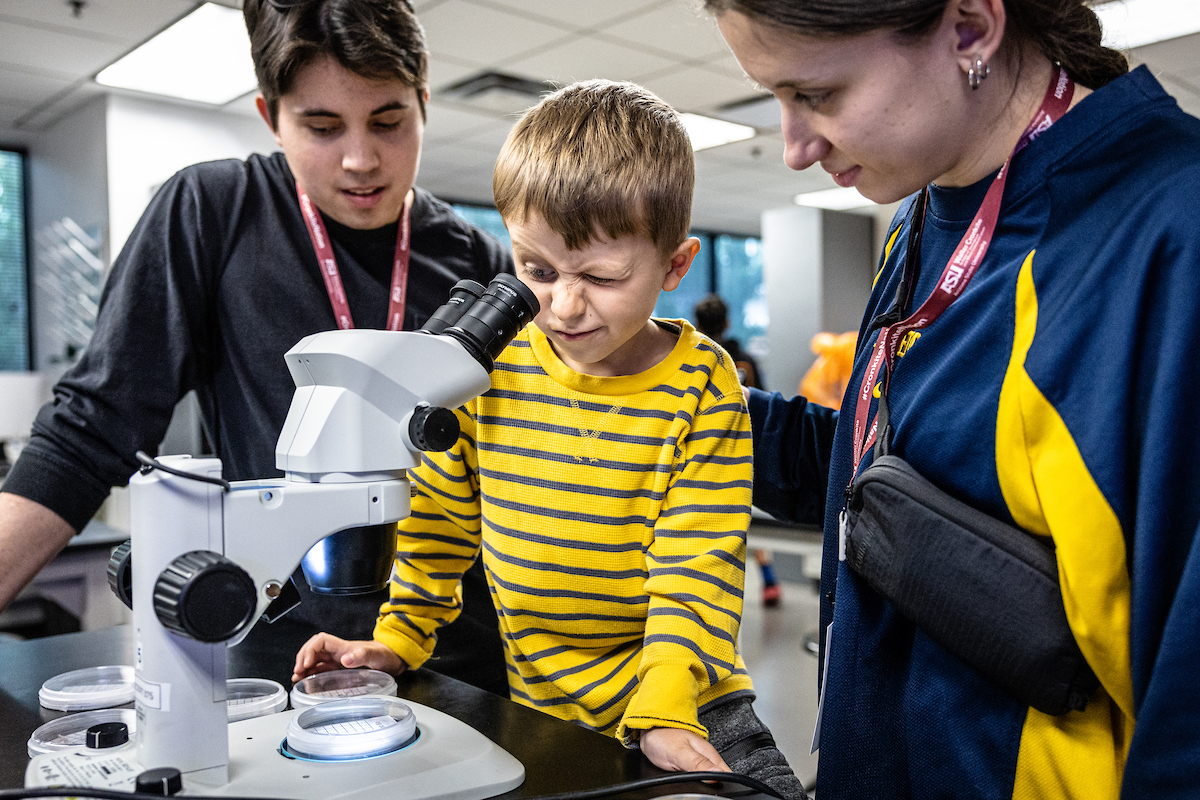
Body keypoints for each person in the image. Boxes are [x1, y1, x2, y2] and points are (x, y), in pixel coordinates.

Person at [702, 0, 1200, 797]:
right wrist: (680, 394)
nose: (794, 148)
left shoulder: (1169, 235)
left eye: (817, 95)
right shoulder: (924, 214)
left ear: (970, 27)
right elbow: (893, 480)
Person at [292, 80, 807, 800]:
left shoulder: (703, 382)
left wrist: (662, 705)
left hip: (686, 693)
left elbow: (698, 563)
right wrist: (398, 639)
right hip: (542, 703)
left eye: (601, 276)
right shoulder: (485, 367)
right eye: (536, 271)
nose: (563, 306)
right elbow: (439, 524)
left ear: (675, 265)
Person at [0, 0, 510, 696]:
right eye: (322, 127)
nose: (361, 159)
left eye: (388, 122)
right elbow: (88, 433)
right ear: (272, 117)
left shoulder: (478, 263)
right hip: (282, 655)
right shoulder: (213, 213)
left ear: (423, 104)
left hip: (454, 656)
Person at [693, 293, 782, 607]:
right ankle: (768, 579)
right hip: (745, 450)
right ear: (728, 323)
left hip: (701, 456)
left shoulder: (691, 362)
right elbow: (764, 402)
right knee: (748, 515)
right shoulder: (744, 360)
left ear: (698, 324)